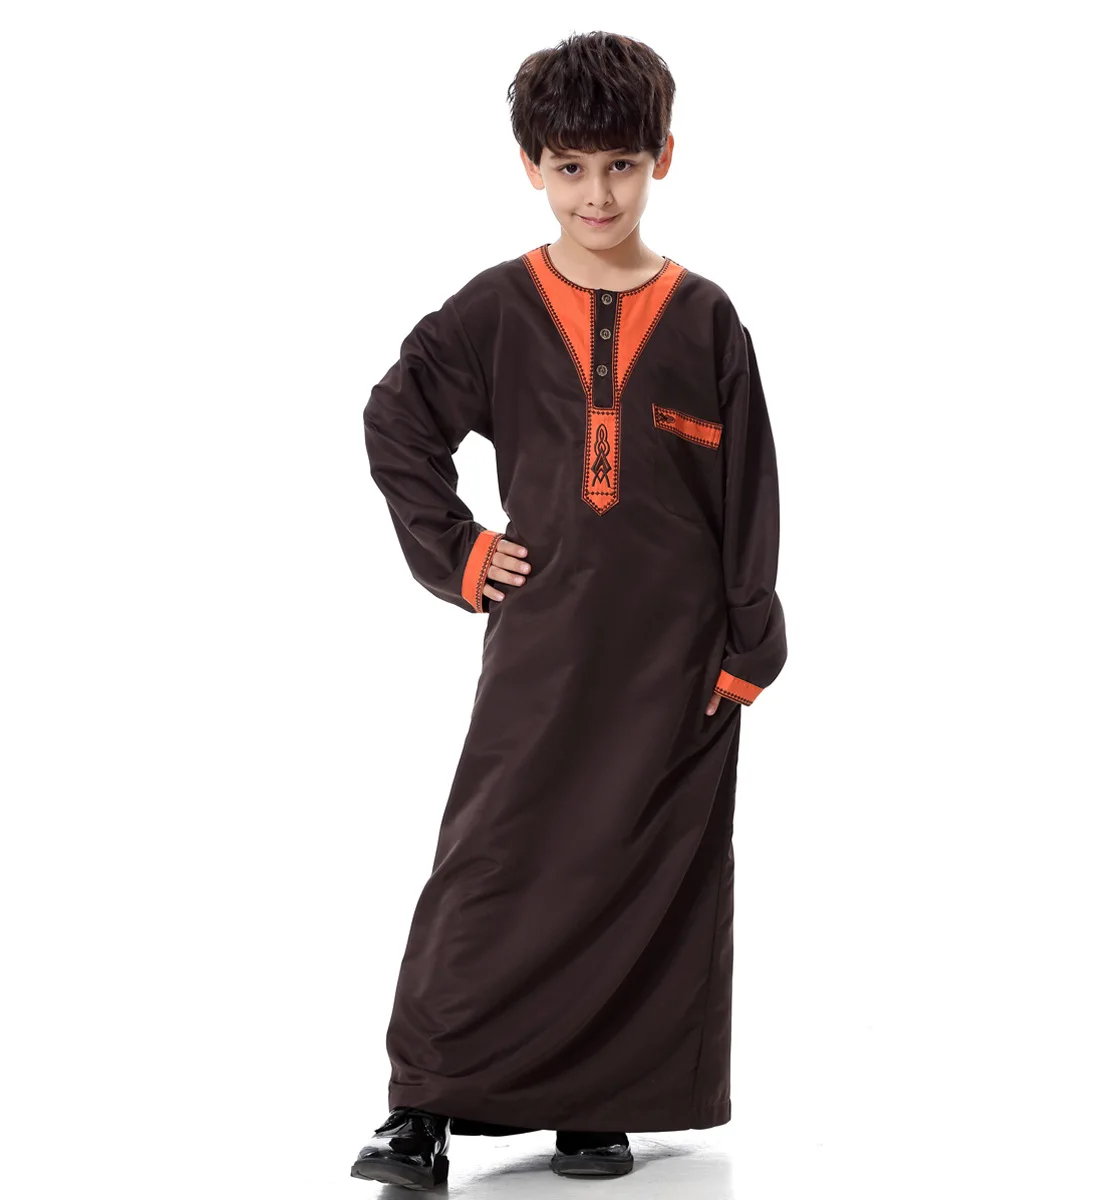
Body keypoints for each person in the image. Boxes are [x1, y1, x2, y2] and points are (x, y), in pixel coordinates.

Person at [350, 29, 787, 1190]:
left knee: (653, 868)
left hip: (680, 658)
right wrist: (459, 552)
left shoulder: (706, 319)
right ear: (533, 168)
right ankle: (421, 1109)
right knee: (493, 859)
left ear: (663, 157)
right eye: (572, 167)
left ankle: (603, 1105)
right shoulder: (498, 309)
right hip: (547, 644)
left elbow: (748, 490)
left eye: (622, 165)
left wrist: (749, 633)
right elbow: (398, 419)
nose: (599, 194)